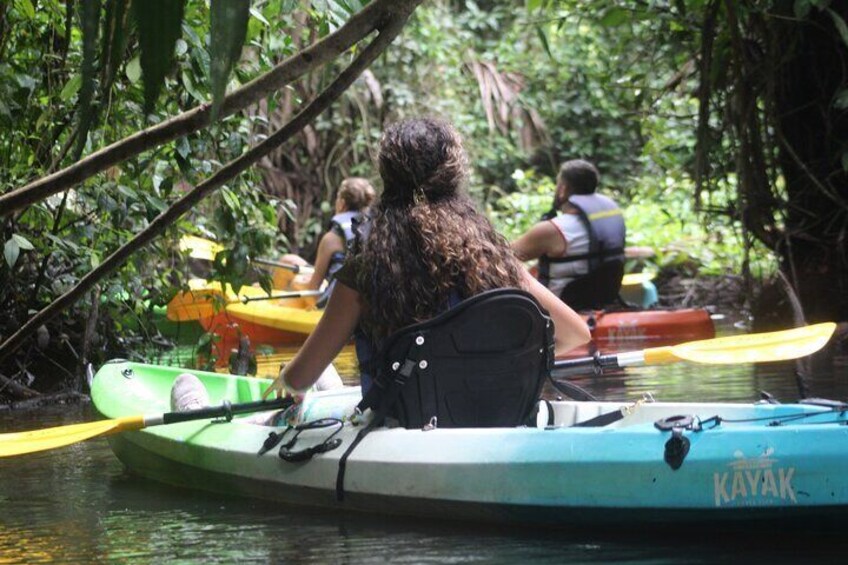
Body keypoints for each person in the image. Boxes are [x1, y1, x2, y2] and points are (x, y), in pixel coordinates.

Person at [263, 118, 591, 401]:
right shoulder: (489, 259)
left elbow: (301, 378)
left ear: (387, 177)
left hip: (400, 427)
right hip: (485, 414)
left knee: (306, 376)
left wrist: (282, 380)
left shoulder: (366, 268)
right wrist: (506, 361)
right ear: (453, 178)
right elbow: (575, 335)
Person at [511, 159, 626, 311]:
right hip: (600, 301)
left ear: (562, 189)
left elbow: (498, 256)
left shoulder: (552, 230)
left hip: (559, 312)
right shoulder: (608, 220)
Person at [280, 177, 376, 305]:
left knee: (296, 281)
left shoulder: (331, 239)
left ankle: (276, 306)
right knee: (288, 260)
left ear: (341, 203)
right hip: (368, 300)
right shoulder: (377, 231)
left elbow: (312, 288)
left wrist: (299, 282)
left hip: (336, 305)